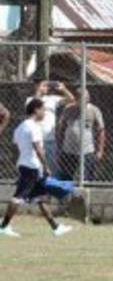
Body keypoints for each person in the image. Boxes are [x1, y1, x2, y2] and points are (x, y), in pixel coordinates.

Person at [1, 99, 74, 238]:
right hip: (32, 167)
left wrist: (18, 163)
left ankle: (56, 227)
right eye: (43, 109)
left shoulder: (19, 128)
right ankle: (4, 226)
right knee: (18, 197)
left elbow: (14, 148)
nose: (44, 112)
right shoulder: (33, 127)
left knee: (39, 198)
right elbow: (38, 148)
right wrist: (45, 166)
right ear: (36, 110)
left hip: (25, 165)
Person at [55, 88, 106, 182]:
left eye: (87, 99)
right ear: (76, 99)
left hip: (87, 150)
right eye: (81, 99)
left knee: (87, 178)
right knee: (66, 177)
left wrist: (100, 150)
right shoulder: (68, 109)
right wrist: (59, 148)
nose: (85, 102)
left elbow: (101, 131)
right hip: (69, 149)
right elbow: (61, 129)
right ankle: (66, 195)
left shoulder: (94, 110)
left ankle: (87, 195)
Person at [27, 80, 73, 170]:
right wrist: (39, 91)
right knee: (36, 165)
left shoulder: (52, 99)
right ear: (37, 87)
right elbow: (34, 106)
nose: (47, 88)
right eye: (44, 86)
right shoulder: (30, 100)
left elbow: (71, 99)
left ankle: (50, 183)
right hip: (36, 140)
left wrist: (64, 89)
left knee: (51, 167)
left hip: (50, 140)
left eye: (47, 86)